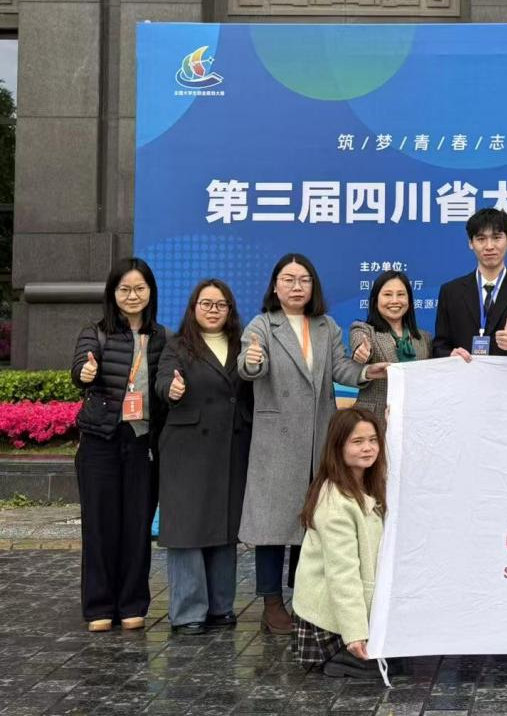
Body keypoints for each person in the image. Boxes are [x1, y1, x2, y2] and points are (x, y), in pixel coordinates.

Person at [238, 253, 387, 636]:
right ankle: (272, 602)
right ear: (275, 287)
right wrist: (252, 360)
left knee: (313, 521)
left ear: (313, 286)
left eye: (303, 280)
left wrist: (368, 370)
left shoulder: (326, 327)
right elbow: (249, 366)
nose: (296, 287)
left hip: (320, 437)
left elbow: (341, 369)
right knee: (272, 526)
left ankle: (305, 599)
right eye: (288, 280)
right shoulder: (262, 325)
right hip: (278, 440)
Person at [70, 257, 169, 632]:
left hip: (143, 443)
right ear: (113, 293)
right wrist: (86, 372)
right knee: (100, 526)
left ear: (150, 293)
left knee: (137, 526)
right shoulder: (95, 333)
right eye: (124, 289)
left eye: (139, 288)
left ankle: (132, 603)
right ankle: (98, 606)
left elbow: (166, 383)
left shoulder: (162, 338)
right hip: (101, 441)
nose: (132, 295)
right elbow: (79, 369)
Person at [154, 279, 253, 635]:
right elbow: (162, 381)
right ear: (193, 308)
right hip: (187, 447)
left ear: (230, 310)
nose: (213, 310)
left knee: (224, 525)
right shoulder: (177, 345)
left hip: (232, 444)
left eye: (221, 304)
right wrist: (172, 389)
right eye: (206, 304)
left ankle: (221, 606)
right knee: (188, 529)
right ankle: (187, 612)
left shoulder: (243, 345)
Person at [292, 408, 387, 679]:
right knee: (382, 667)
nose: (368, 448)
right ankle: (339, 654)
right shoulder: (334, 503)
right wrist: (354, 633)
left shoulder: (370, 482)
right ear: (338, 447)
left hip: (356, 603)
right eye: (357, 442)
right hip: (329, 618)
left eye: (373, 440)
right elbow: (341, 573)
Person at [432, 208, 507, 360]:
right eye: (481, 239)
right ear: (471, 243)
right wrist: (450, 354)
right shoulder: (450, 292)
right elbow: (439, 345)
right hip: (464, 373)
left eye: (497, 237)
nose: (489, 246)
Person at [349, 271, 433, 419]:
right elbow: (359, 342)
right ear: (375, 301)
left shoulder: (424, 338)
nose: (394, 300)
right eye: (387, 294)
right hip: (374, 420)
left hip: (415, 418)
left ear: (409, 300)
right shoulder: (364, 330)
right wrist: (361, 352)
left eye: (401, 294)